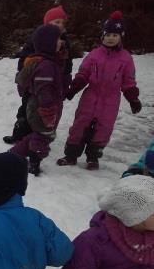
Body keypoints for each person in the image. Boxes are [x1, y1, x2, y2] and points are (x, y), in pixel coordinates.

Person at [56, 11, 141, 170]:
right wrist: (74, 88)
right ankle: (71, 155)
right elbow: (83, 73)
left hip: (111, 100)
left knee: (104, 128)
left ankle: (93, 158)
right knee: (80, 125)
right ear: (102, 35)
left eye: (115, 35)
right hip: (91, 96)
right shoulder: (94, 55)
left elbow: (128, 81)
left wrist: (133, 98)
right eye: (108, 34)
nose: (111, 38)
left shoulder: (126, 58)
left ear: (121, 37)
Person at [3, 5, 73, 145]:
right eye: (56, 22)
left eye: (61, 22)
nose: (59, 25)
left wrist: (65, 83)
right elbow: (24, 59)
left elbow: (67, 65)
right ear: (47, 23)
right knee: (26, 110)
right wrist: (24, 77)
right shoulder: (37, 38)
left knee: (45, 113)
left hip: (52, 85)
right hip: (33, 84)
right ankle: (19, 135)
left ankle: (37, 139)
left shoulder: (63, 42)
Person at [10, 24, 66, 176]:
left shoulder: (45, 61)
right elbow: (44, 89)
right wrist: (48, 111)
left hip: (40, 106)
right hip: (43, 107)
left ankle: (14, 154)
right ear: (49, 43)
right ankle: (34, 162)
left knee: (37, 134)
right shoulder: (46, 65)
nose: (62, 42)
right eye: (58, 39)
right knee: (43, 137)